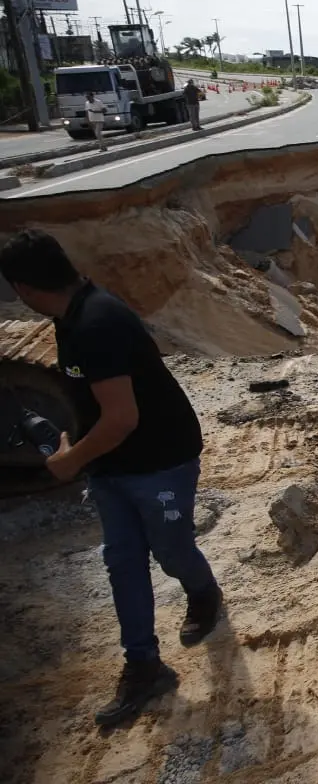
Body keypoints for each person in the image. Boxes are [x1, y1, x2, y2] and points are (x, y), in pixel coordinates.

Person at [0, 230, 224, 729]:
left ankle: (204, 592)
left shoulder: (97, 322)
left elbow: (121, 417)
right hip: (113, 464)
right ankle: (143, 664)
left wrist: (70, 460)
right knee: (122, 560)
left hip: (161, 460)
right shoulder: (72, 314)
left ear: (24, 288)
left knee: (170, 548)